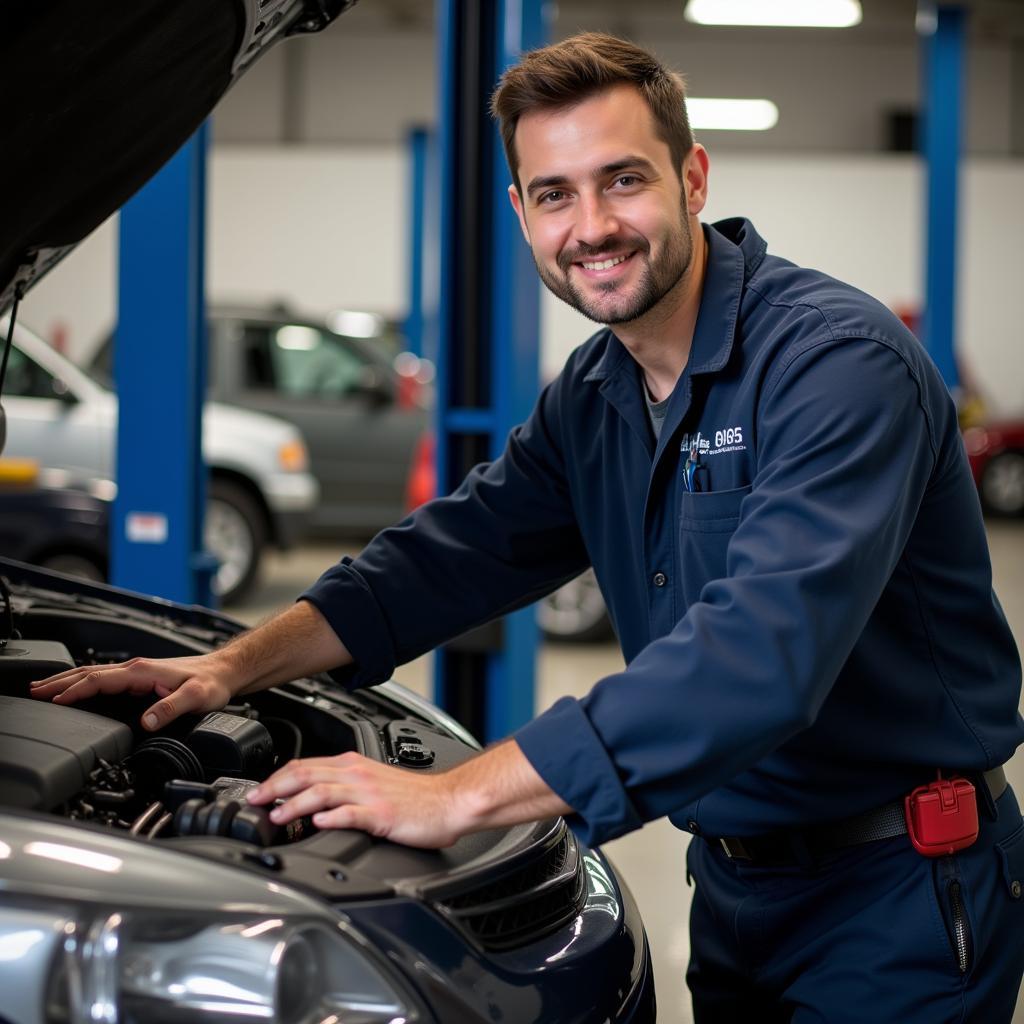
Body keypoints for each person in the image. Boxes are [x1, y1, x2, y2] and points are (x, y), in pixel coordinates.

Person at [32, 33, 1024, 1021]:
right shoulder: (595, 395)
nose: (591, 226)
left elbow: (759, 654)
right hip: (735, 885)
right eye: (554, 194)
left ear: (692, 177)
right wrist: (229, 667)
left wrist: (457, 794)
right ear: (521, 212)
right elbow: (441, 559)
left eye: (621, 180)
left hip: (899, 887)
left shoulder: (835, 363)